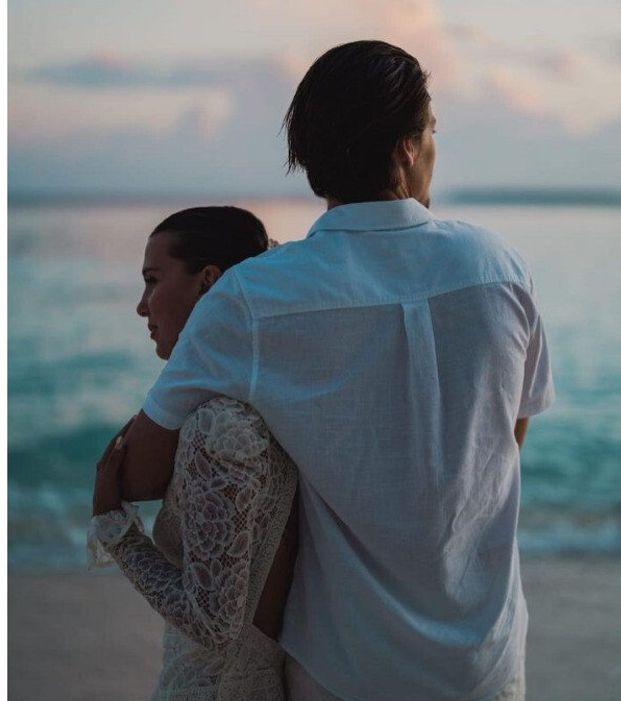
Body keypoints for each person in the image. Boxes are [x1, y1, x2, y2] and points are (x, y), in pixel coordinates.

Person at [115, 41, 551, 700]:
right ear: (405, 147)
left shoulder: (254, 297)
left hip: (343, 668)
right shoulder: (496, 267)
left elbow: (142, 471)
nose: (433, 146)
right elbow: (503, 443)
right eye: (430, 130)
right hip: (484, 661)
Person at [89, 207, 297, 700]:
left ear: (208, 283)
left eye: (152, 281)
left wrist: (113, 526)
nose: (142, 307)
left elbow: (214, 623)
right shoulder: (275, 401)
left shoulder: (217, 427)